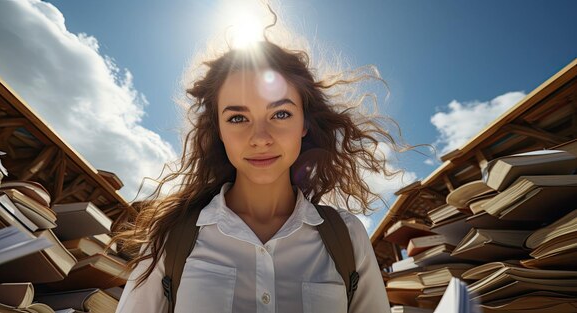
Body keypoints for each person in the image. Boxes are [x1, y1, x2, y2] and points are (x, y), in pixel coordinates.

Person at [114, 25, 404, 313]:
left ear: (304, 123)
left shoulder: (348, 238)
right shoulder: (171, 237)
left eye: (280, 114)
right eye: (238, 118)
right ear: (218, 130)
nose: (260, 138)